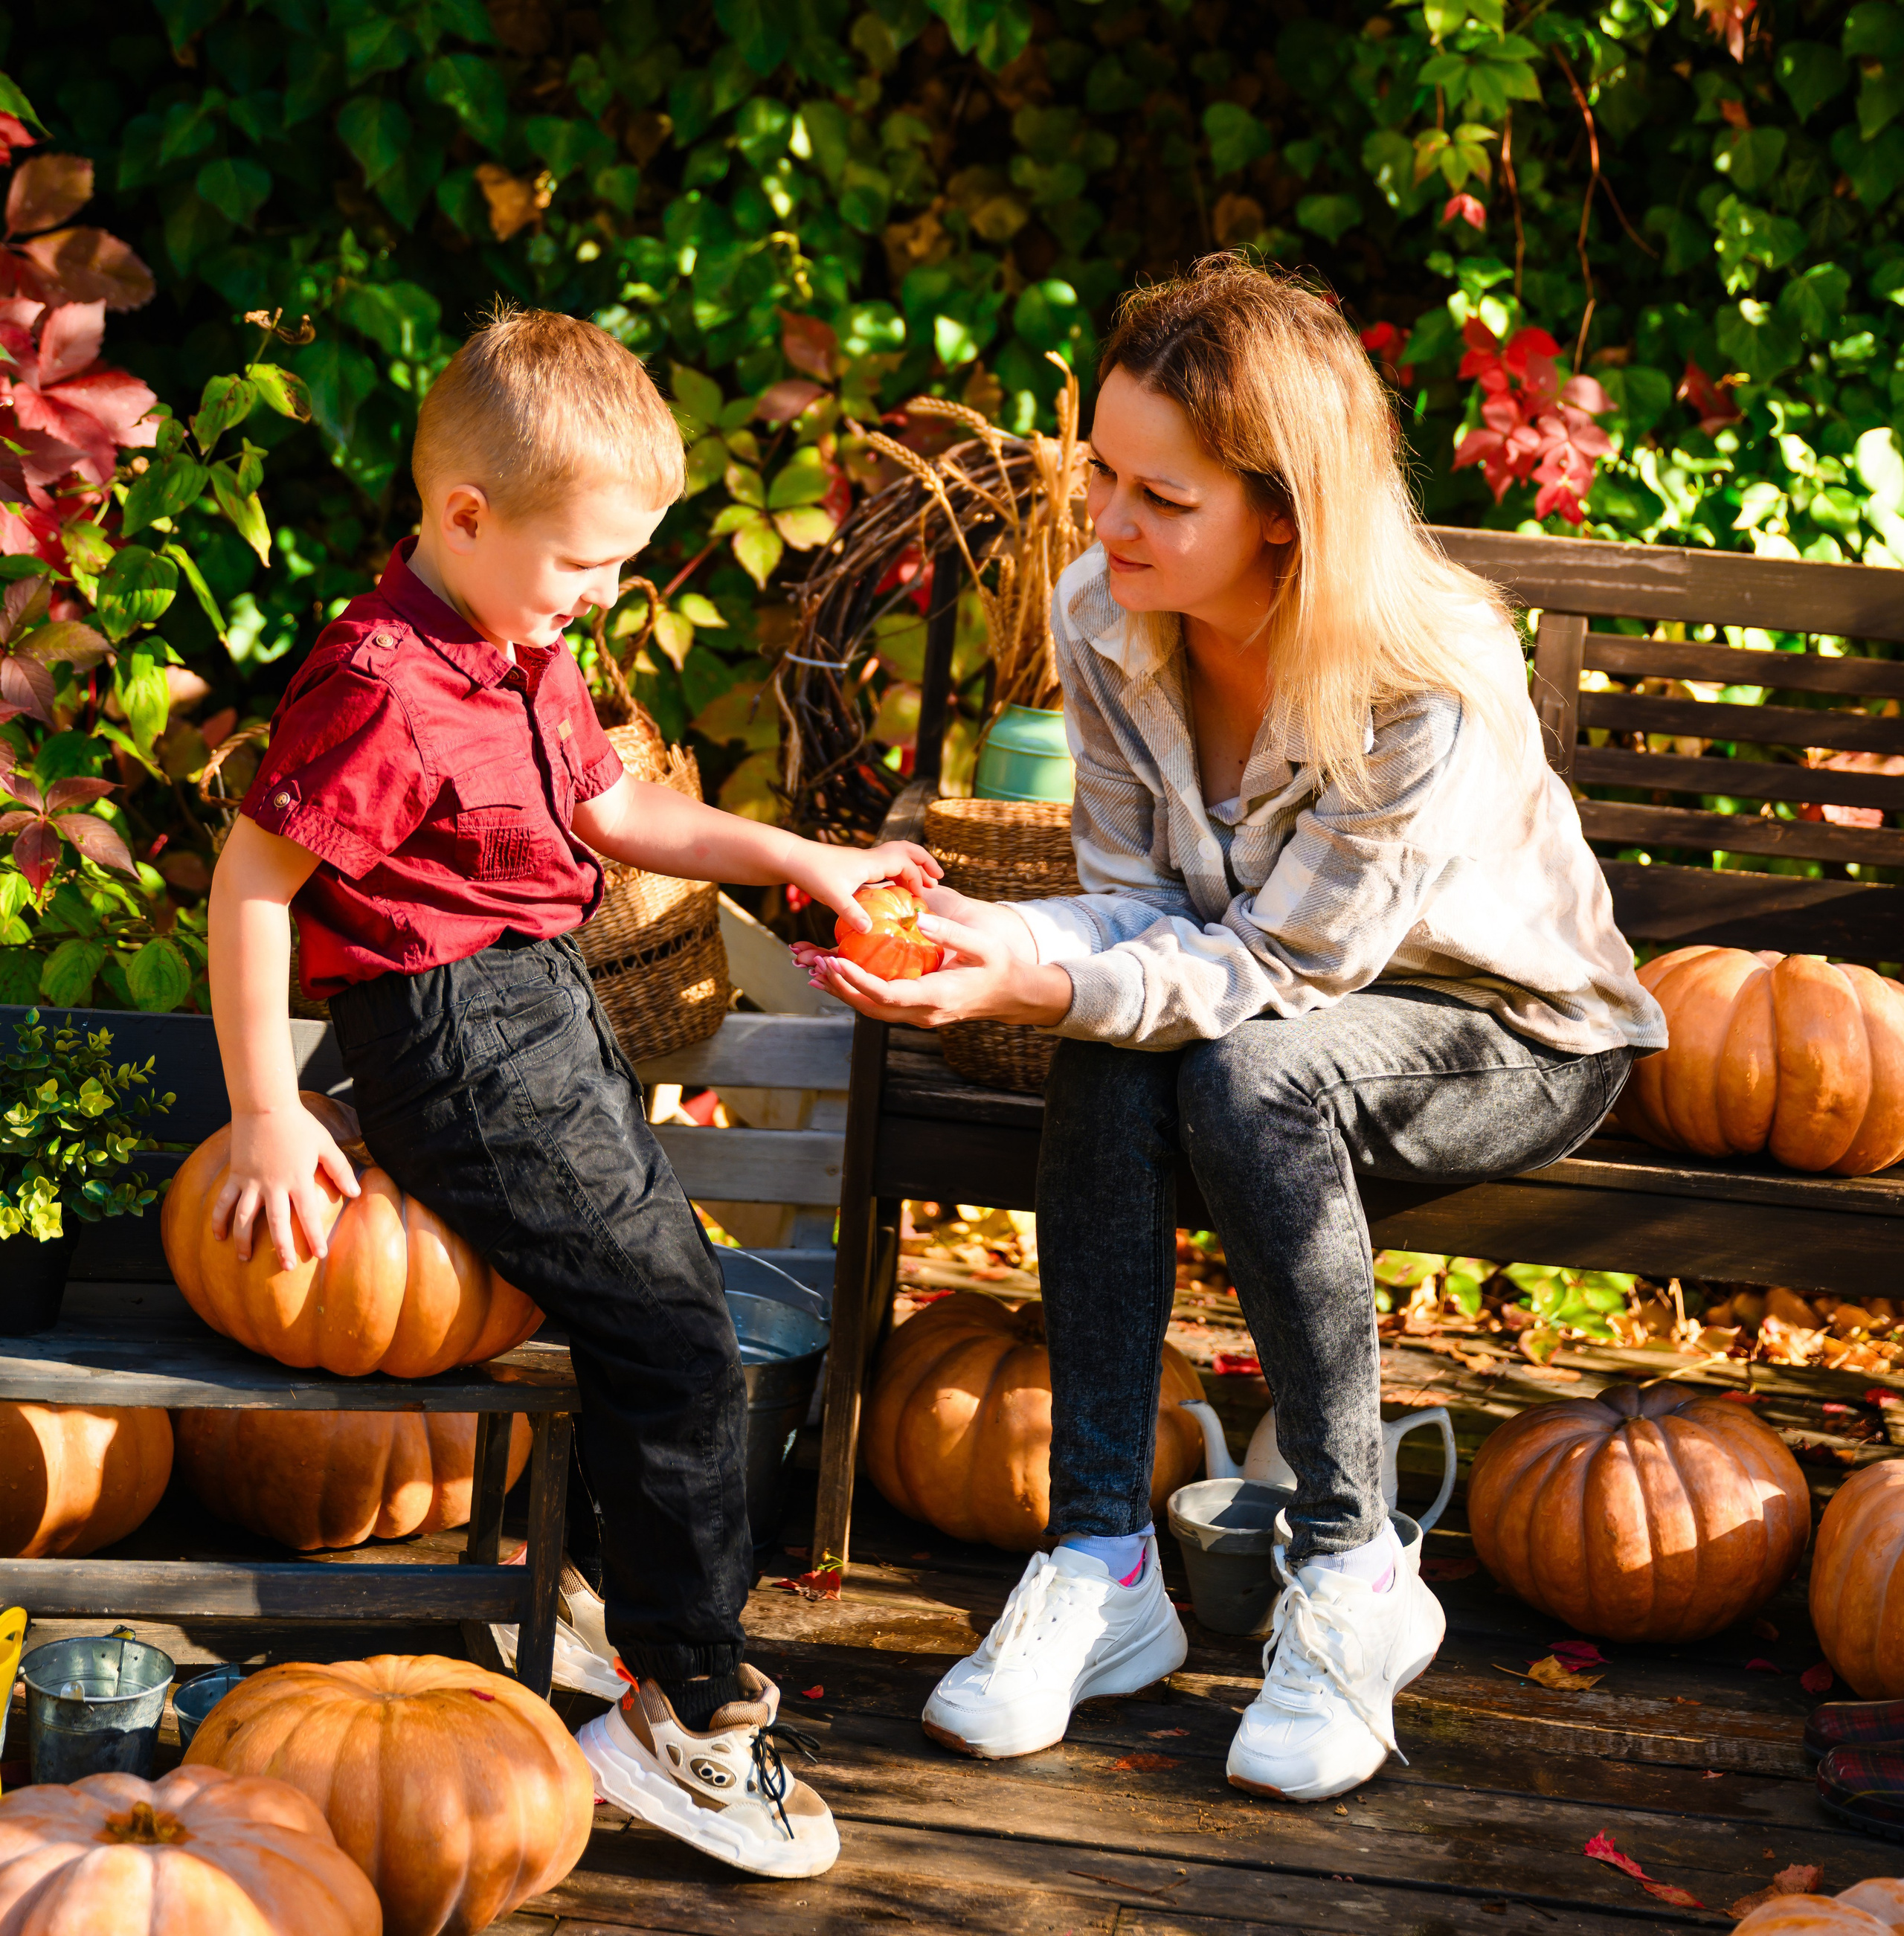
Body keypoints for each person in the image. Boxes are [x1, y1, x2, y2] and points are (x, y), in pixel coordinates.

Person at [799, 256, 1666, 1803]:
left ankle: (1348, 1570)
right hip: (1271, 1002)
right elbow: (1144, 919)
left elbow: (1274, 977)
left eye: (1159, 497)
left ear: (1282, 509)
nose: (1107, 524)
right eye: (1101, 476)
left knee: (1242, 1071)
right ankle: (1101, 1565)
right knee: (1115, 1047)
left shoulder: (1422, 688)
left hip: (1509, 1032)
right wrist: (1005, 941)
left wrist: (1041, 976)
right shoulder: (1106, 616)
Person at [208, 306, 939, 1877]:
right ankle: (689, 1714)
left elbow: (618, 809)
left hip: (545, 1014)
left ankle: (613, 1616)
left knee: (649, 1312)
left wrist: (799, 856)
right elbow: (253, 882)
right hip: (451, 1039)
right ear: (463, 516)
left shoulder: (518, 646)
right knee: (675, 1332)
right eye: (584, 564)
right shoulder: (385, 687)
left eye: (617, 567)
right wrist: (270, 1106)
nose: (599, 598)